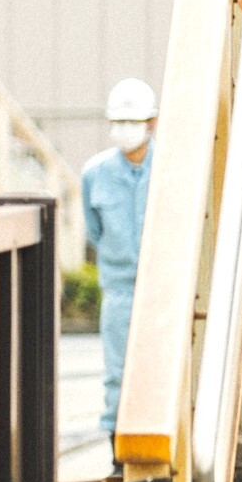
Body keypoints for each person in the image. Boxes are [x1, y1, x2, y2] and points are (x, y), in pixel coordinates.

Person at [84, 79, 156, 446]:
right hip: (119, 289)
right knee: (116, 371)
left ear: (152, 122)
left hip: (161, 288)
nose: (125, 129)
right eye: (119, 121)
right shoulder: (94, 174)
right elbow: (93, 231)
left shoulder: (171, 169)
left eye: (134, 121)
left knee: (158, 367)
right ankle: (117, 445)